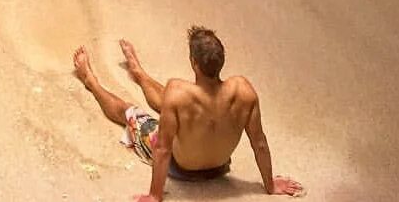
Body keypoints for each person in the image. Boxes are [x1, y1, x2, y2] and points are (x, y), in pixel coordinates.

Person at [73, 29, 303, 200]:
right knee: (172, 102)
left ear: (194, 63)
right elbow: (260, 143)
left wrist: (155, 196)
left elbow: (162, 150)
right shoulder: (244, 91)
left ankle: (90, 80)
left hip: (181, 168)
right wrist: (270, 184)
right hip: (219, 167)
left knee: (130, 111)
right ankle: (139, 73)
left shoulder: (177, 92)